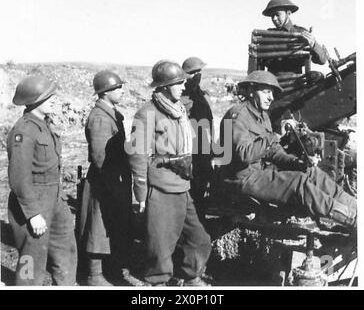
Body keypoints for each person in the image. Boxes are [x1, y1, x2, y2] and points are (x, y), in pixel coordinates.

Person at [220, 70, 356, 230]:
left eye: (271, 93)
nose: (270, 97)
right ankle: (352, 220)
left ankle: (355, 208)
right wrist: (275, 135)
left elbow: (273, 151)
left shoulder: (262, 116)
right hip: (242, 178)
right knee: (298, 183)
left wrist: (298, 162)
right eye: (265, 92)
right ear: (251, 91)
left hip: (259, 172)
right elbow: (244, 155)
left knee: (311, 172)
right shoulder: (237, 115)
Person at [127, 60, 212, 286]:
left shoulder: (179, 110)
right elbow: (137, 155)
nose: (183, 87)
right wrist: (141, 193)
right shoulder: (146, 114)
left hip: (183, 186)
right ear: (165, 86)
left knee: (199, 240)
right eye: (178, 83)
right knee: (160, 245)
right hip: (161, 188)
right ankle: (157, 283)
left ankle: (187, 274)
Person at [7, 75, 77, 285]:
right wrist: (33, 213)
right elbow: (19, 177)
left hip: (55, 197)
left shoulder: (45, 125)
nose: (55, 100)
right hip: (34, 199)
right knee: (32, 257)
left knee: (66, 251)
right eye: (50, 96)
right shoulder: (24, 131)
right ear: (35, 100)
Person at [78, 70, 132, 286]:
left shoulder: (113, 113)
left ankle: (109, 269)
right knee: (97, 226)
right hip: (104, 179)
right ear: (106, 92)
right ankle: (94, 275)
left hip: (115, 176)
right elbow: (101, 157)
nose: (122, 91)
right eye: (118, 88)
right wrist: (113, 183)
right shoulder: (100, 117)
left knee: (111, 224)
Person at [181, 57, 214, 222]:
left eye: (199, 72)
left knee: (201, 195)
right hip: (189, 153)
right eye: (192, 73)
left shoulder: (203, 96)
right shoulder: (179, 99)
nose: (196, 76)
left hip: (204, 152)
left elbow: (210, 124)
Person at [261, 0, 327, 75]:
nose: (274, 19)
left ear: (288, 13)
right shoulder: (268, 36)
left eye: (277, 14)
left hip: (296, 84)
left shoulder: (301, 33)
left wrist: (313, 44)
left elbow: (322, 60)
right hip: (272, 84)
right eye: (272, 16)